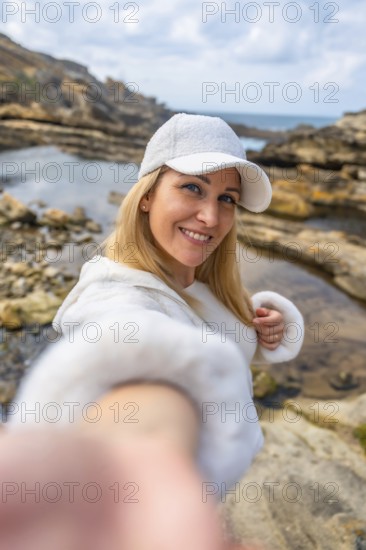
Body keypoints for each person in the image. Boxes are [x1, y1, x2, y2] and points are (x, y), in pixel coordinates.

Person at [2, 113, 304, 549]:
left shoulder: (192, 276)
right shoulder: (114, 295)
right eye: (192, 187)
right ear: (147, 195)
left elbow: (199, 329)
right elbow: (142, 360)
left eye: (227, 199)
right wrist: (125, 474)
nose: (210, 216)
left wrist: (259, 322)